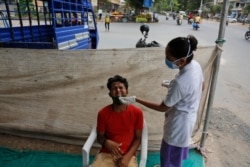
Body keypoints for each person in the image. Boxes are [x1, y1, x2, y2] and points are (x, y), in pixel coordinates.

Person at [119, 35, 205, 167]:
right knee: (175, 154)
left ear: (181, 61)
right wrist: (175, 88)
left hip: (178, 125)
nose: (167, 60)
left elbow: (162, 107)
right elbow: (201, 86)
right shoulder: (195, 65)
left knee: (170, 154)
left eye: (169, 59)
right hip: (189, 117)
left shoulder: (180, 83)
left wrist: (136, 99)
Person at [91, 75, 144, 167]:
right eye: (114, 88)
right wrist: (106, 142)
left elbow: (138, 138)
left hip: (128, 155)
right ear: (110, 94)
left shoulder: (137, 112)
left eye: (121, 88)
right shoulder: (103, 113)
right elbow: (100, 136)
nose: (118, 90)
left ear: (126, 92)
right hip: (106, 154)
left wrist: (127, 158)